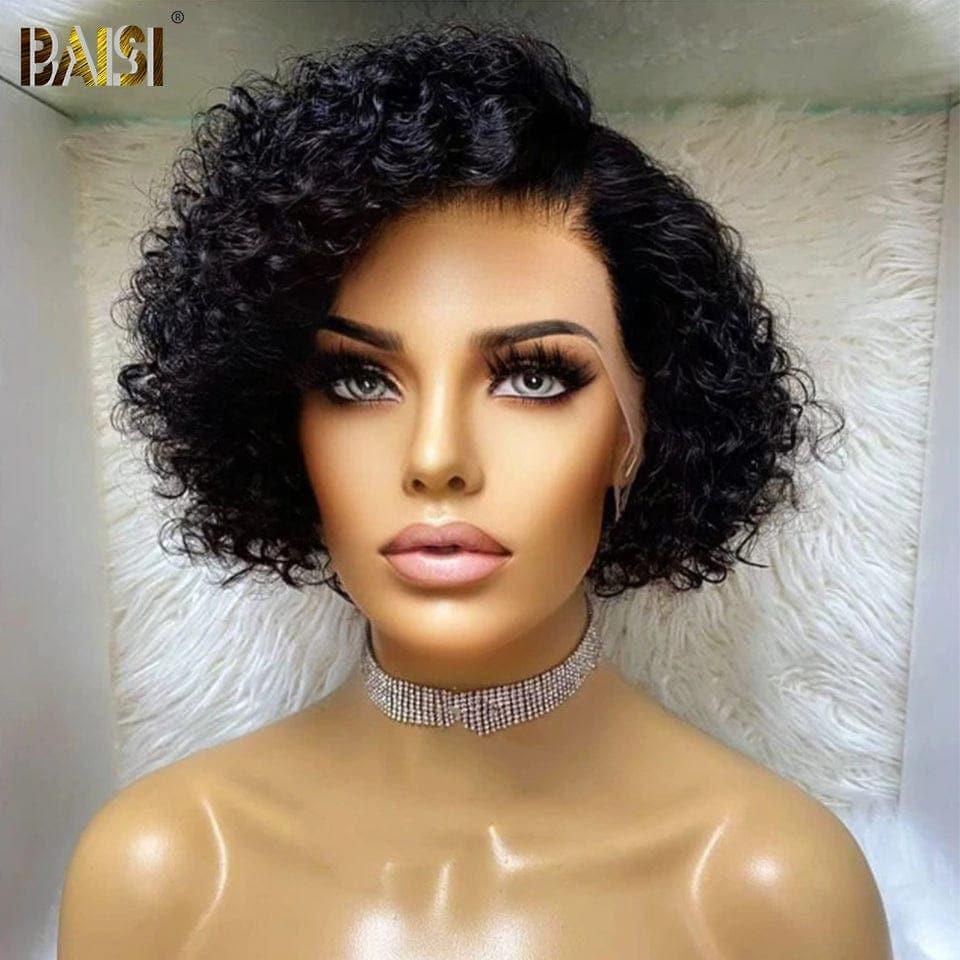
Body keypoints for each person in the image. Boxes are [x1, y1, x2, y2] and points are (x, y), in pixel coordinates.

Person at [58, 23, 893, 959]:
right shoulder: (161, 873)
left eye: (533, 378)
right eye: (360, 381)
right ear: (279, 425)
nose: (436, 458)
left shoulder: (772, 889)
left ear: (639, 433)